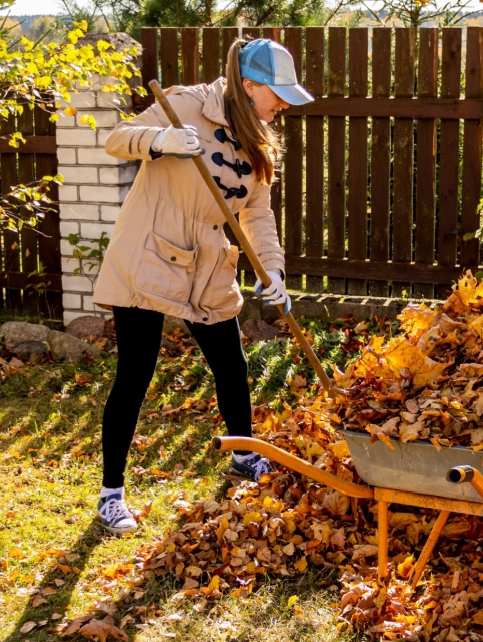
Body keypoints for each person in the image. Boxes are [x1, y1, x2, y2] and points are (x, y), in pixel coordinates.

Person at [88, 37, 315, 534]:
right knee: (135, 373)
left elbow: (257, 211)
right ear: (249, 86)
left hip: (210, 264)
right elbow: (117, 138)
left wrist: (272, 270)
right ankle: (111, 495)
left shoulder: (258, 134)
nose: (282, 105)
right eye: (277, 94)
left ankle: (243, 457)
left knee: (231, 367)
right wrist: (161, 141)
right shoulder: (185, 104)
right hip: (150, 253)